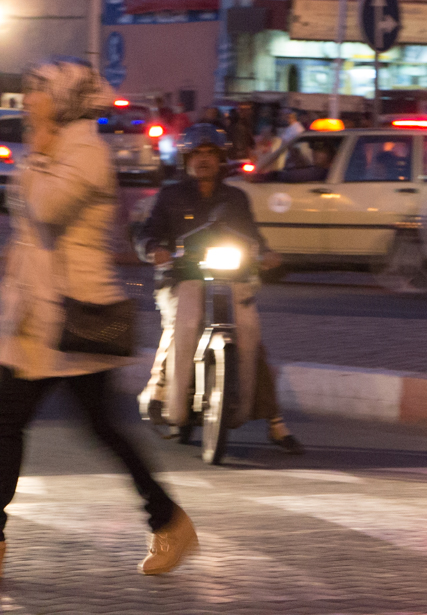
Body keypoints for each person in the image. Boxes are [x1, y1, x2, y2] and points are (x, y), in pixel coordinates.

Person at [0, 58, 198, 576]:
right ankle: (169, 521)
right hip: (38, 316)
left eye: (39, 93)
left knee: (12, 422)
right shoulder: (55, 145)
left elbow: (43, 209)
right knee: (99, 428)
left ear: (64, 100)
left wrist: (38, 147)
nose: (31, 101)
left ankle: (170, 521)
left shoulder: (84, 151)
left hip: (72, 320)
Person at [137, 124, 303, 454]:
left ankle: (275, 422)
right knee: (182, 322)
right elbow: (147, 234)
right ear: (186, 159)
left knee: (250, 332)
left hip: (229, 278)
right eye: (196, 154)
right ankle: (158, 390)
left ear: (221, 159)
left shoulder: (236, 198)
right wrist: (155, 248)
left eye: (210, 153)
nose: (203, 160)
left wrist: (266, 254)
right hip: (180, 280)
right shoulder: (170, 196)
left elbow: (253, 237)